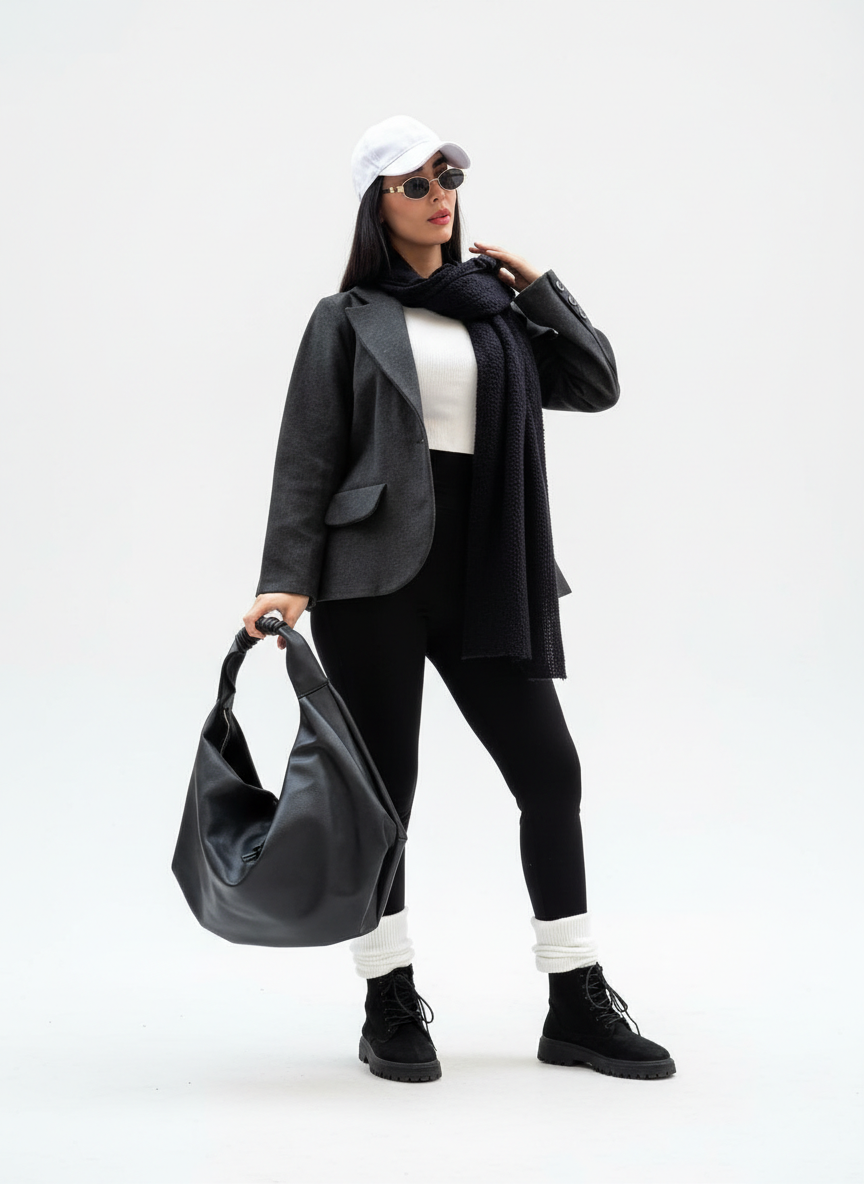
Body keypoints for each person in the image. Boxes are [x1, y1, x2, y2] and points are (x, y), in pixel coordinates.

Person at [243, 115, 675, 1084]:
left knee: (550, 772)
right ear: (379, 204)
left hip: (489, 576)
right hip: (371, 585)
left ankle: (575, 998)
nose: (439, 193)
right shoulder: (346, 317)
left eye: (447, 175)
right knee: (384, 797)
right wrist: (285, 576)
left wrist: (542, 289)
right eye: (415, 182)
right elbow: (307, 449)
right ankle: (387, 998)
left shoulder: (499, 315)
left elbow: (596, 381)